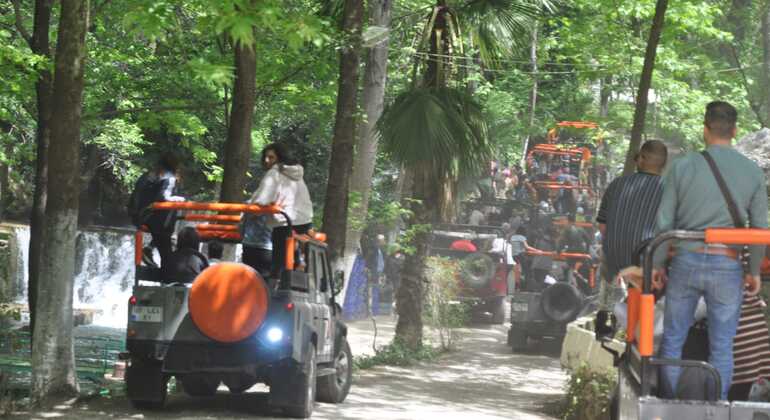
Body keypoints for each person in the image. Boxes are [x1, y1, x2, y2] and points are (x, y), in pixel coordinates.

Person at [655, 101, 768, 400]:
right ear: (734, 131)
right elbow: (760, 227)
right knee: (722, 345)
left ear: (705, 129)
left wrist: (655, 264)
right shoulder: (752, 172)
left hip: (685, 261)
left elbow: (664, 222)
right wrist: (753, 270)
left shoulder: (681, 167)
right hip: (727, 265)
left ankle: (673, 405)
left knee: (673, 338)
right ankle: (716, 408)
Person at [596, 139, 668, 283]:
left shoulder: (616, 184)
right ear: (664, 164)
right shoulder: (669, 189)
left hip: (613, 260)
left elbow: (603, 227)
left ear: (640, 159)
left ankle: (608, 295)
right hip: (647, 261)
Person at [249, 143, 313, 278]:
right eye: (265, 157)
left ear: (280, 158)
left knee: (279, 264)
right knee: (295, 261)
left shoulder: (274, 172)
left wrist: (251, 207)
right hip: (304, 221)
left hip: (285, 222)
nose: (267, 160)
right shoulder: (297, 174)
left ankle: (277, 292)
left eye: (271, 157)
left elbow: (262, 199)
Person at [128, 153, 185, 269]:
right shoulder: (170, 177)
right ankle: (167, 273)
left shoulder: (148, 175)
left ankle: (150, 249)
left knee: (165, 247)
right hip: (152, 219)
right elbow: (163, 196)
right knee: (171, 210)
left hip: (138, 215)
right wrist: (178, 199)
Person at [240, 213, 273, 278]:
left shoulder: (248, 210)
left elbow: (241, 226)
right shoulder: (271, 210)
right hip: (266, 246)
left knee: (247, 274)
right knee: (263, 276)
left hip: (248, 244)